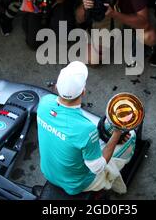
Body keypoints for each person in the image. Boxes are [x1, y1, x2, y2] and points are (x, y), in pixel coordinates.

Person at [36, 61, 135, 195]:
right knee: (132, 136)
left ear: (57, 87)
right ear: (83, 91)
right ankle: (117, 188)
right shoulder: (86, 130)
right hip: (77, 184)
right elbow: (98, 167)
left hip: (48, 172)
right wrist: (117, 132)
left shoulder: (45, 102)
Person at [76, 0, 156, 64]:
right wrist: (84, 7)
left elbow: (144, 23)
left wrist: (115, 14)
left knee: (149, 36)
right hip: (111, 15)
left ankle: (138, 40)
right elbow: (78, 18)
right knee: (92, 58)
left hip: (132, 15)